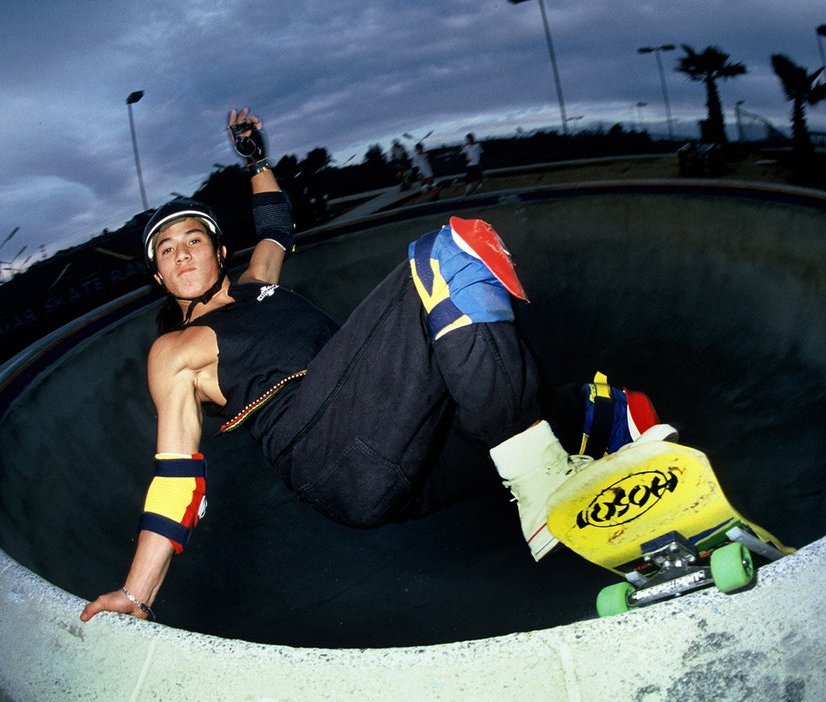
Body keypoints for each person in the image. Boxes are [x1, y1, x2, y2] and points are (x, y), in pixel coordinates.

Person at [79, 108, 673, 623]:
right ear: (159, 276)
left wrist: (255, 158)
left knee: (588, 409)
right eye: (167, 248)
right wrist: (138, 591)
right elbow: (177, 475)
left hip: (399, 450)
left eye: (193, 240)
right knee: (446, 255)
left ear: (218, 251)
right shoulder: (175, 352)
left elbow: (276, 224)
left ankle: (650, 499)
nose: (182, 252)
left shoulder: (259, 281)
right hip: (326, 451)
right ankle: (541, 483)